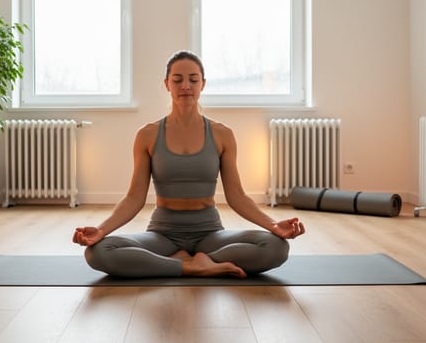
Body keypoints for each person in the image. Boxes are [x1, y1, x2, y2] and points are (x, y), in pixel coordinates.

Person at [72, 50, 305, 278]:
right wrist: (101, 230)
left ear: (203, 84)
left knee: (276, 247)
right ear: (167, 84)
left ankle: (194, 261)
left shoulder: (222, 134)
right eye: (177, 80)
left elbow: (237, 196)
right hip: (162, 235)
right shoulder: (148, 135)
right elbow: (134, 198)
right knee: (98, 252)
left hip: (210, 234)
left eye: (193, 79)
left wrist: (274, 226)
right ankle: (192, 266)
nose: (185, 86)